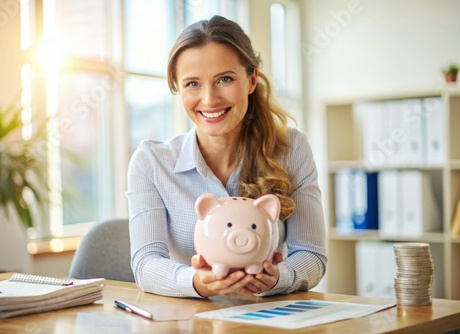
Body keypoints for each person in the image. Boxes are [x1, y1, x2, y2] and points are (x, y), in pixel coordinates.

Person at [127, 15, 326, 298]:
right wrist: (196, 282)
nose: (209, 100)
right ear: (178, 88)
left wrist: (278, 278)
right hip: (190, 320)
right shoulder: (151, 162)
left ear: (251, 79)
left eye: (224, 79)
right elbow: (145, 264)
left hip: (268, 317)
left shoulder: (291, 149)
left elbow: (311, 254)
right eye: (192, 84)